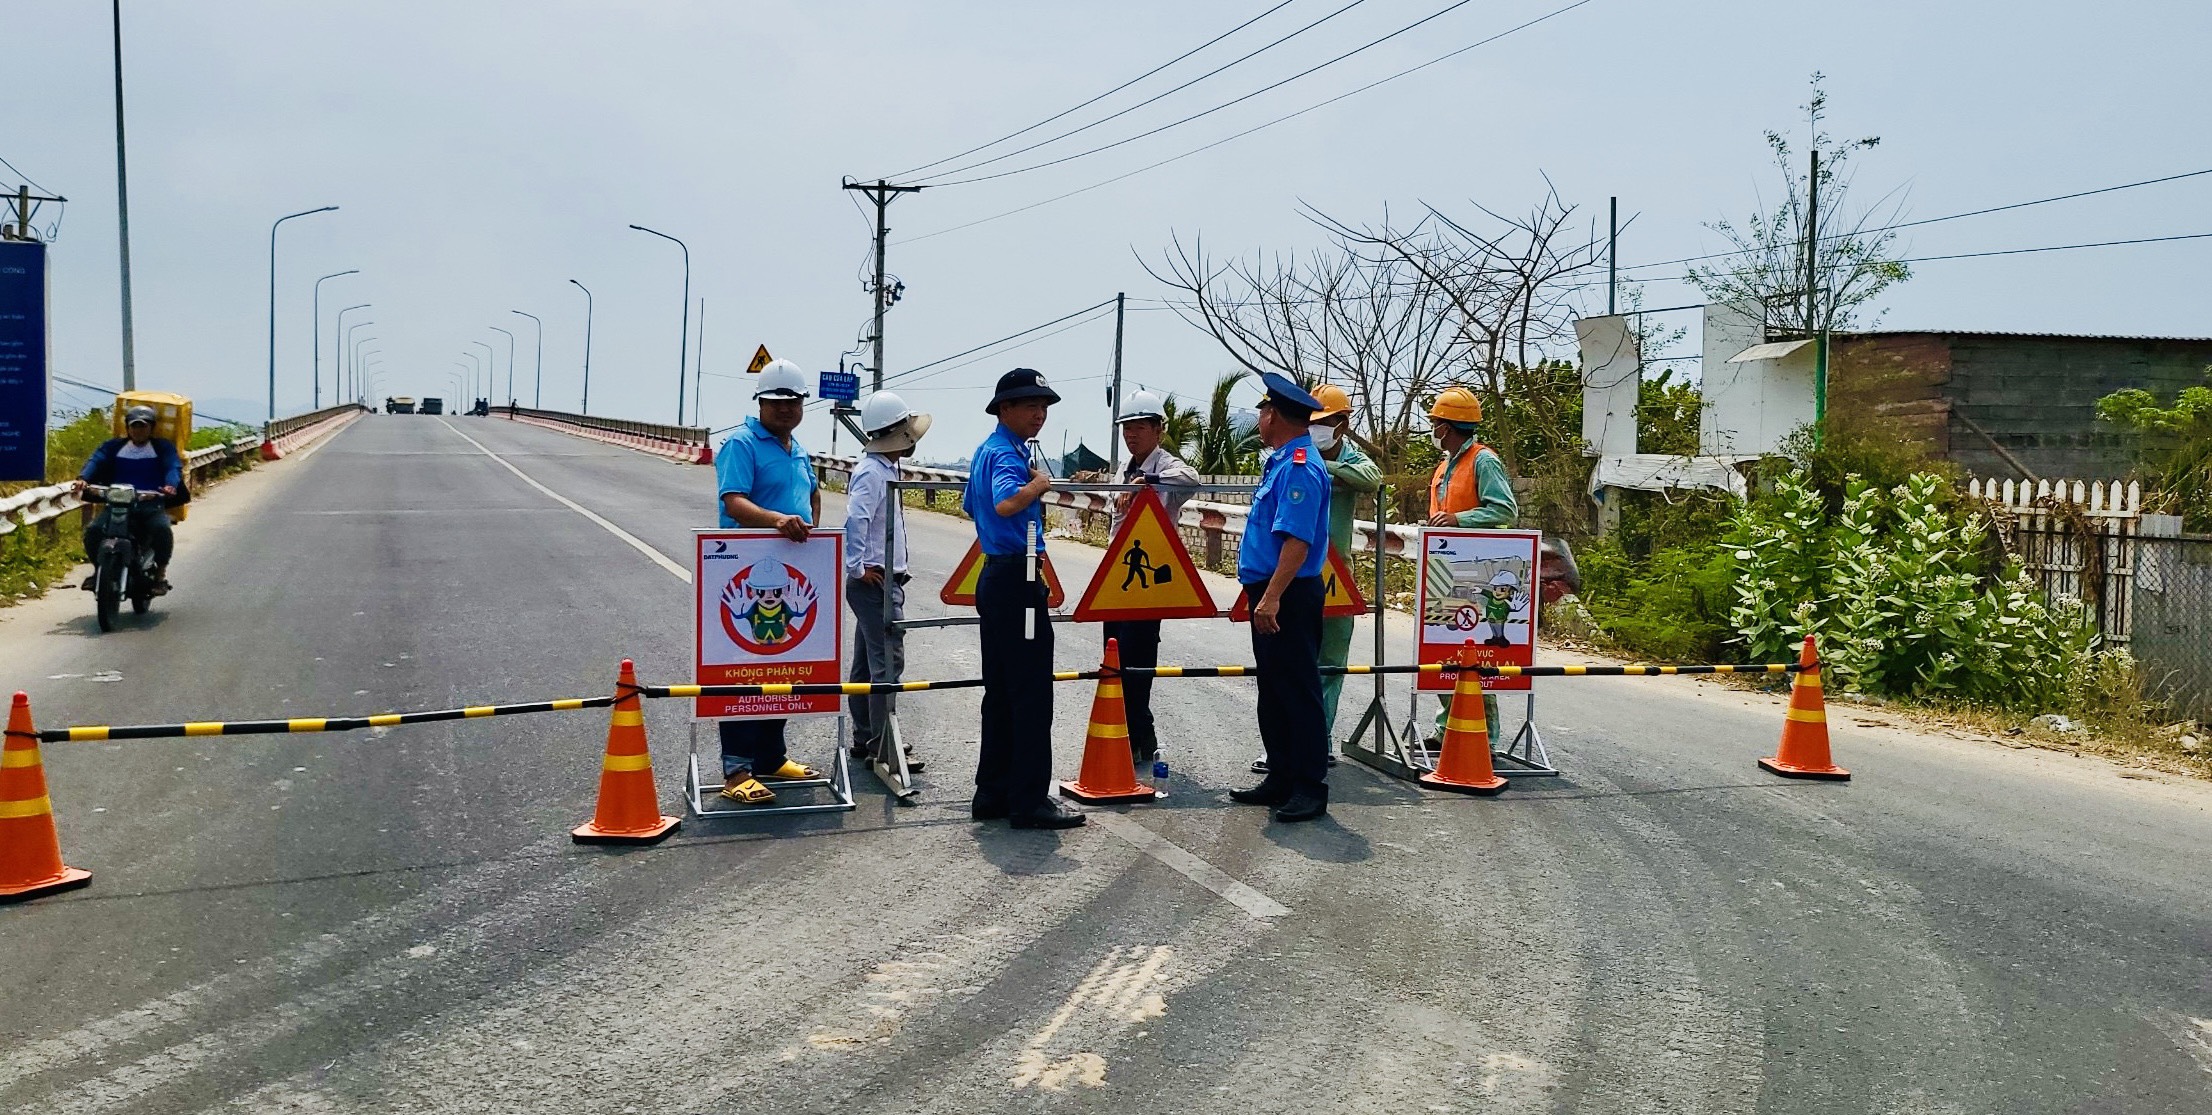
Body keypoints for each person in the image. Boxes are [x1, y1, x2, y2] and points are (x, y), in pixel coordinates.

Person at [963, 368, 1084, 830]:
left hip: (998, 575)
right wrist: (1037, 486)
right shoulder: (1009, 458)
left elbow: (971, 508)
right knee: (1031, 692)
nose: (1039, 414)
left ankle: (993, 791)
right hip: (1017, 579)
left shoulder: (986, 451)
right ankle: (1029, 799)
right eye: (1030, 405)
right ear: (1004, 409)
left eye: (1044, 407)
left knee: (1000, 691)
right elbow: (1003, 503)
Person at [711, 360, 825, 805]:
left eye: (792, 401)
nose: (785, 408)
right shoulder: (741, 443)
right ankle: (736, 769)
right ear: (760, 402)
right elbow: (734, 502)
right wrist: (778, 521)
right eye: (776, 401)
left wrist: (815, 537)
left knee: (783, 669)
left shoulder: (796, 447)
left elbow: (812, 493)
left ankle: (771, 758)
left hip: (792, 570)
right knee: (741, 672)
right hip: (744, 571)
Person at [1251, 383, 1380, 773]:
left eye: (1325, 422)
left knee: (1320, 667)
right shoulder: (1283, 460)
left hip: (1318, 574)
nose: (1317, 428)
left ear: (1342, 425)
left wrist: (1271, 595)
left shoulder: (1310, 465)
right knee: (1281, 678)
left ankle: (1311, 752)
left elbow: (1370, 479)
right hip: (1287, 578)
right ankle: (1283, 761)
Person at [1228, 373, 1334, 823]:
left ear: (1274, 415)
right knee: (1273, 689)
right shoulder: (1279, 462)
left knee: (1297, 689)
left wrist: (1271, 598)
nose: (1259, 418)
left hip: (1286, 593)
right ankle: (1281, 775)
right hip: (1270, 590)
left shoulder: (1299, 468)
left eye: (1262, 411)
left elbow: (1296, 542)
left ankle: (1308, 786)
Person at [1103, 390, 1201, 769]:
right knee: (1113, 656)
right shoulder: (1122, 469)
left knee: (1139, 658)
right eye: (1128, 427)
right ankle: (1134, 733)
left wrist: (1150, 480)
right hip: (1117, 577)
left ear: (1159, 430)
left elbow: (1191, 479)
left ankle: (1139, 732)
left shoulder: (1168, 468)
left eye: (1140, 427)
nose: (1132, 434)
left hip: (1149, 583)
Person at [843, 390, 932, 773]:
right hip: (874, 581)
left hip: (880, 578)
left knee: (867, 662)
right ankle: (883, 743)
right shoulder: (871, 472)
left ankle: (867, 736)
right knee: (888, 662)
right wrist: (858, 567)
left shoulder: (885, 469)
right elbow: (856, 520)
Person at [1425, 385, 1519, 741]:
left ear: (1446, 428)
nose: (1433, 429)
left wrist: (1459, 520)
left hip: (1478, 568)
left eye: (1436, 423)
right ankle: (1445, 728)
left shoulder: (1483, 460)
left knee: (1478, 655)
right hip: (1443, 569)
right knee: (1442, 649)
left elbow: (1504, 509)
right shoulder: (1446, 465)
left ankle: (1485, 737)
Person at [74, 406, 181, 595]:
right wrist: (83, 478)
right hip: (117, 503)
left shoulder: (162, 448)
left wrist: (170, 485)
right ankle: (98, 570)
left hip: (150, 504)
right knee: (94, 531)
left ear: (151, 428)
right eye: (134, 426)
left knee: (162, 529)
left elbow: (173, 467)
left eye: (143, 426)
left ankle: (160, 575)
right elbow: (96, 460)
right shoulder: (113, 446)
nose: (138, 431)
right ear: (128, 428)